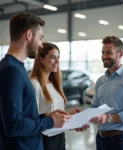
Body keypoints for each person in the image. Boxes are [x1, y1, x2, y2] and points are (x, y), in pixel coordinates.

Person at [0, 13, 71, 150]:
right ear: (28, 34)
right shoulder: (11, 70)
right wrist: (50, 121)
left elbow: (21, 115)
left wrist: (45, 116)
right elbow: (13, 125)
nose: (40, 45)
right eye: (40, 37)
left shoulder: (17, 68)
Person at [30, 42, 89, 150]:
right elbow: (32, 119)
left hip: (59, 138)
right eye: (53, 57)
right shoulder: (34, 85)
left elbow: (55, 115)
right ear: (41, 60)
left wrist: (71, 119)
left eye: (58, 58)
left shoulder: (54, 84)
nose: (57, 62)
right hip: (44, 141)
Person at [90, 36, 123, 150]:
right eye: (103, 52)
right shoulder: (100, 80)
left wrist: (108, 118)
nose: (104, 56)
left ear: (121, 54)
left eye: (108, 52)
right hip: (100, 138)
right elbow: (94, 108)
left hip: (120, 140)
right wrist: (83, 119)